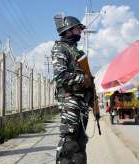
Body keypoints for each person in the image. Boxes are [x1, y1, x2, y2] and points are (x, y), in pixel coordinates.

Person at [51, 14, 94, 164]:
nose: (80, 32)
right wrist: (83, 79)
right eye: (78, 29)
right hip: (70, 101)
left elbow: (87, 77)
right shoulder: (60, 48)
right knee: (69, 142)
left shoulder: (78, 53)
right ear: (68, 30)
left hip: (82, 102)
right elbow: (60, 75)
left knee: (80, 141)